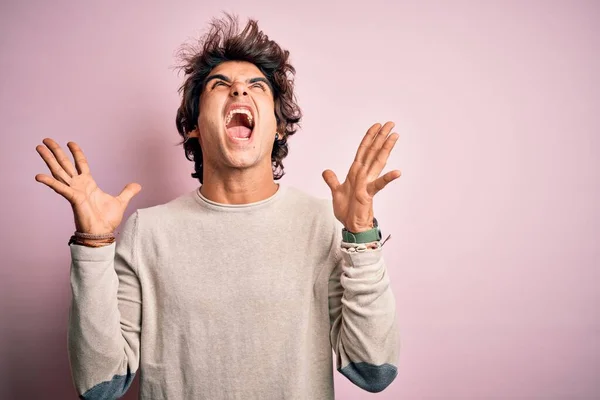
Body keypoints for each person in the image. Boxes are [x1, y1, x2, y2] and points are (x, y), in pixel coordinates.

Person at [34, 14, 401, 400]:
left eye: (256, 86)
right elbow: (99, 384)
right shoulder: (148, 232)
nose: (239, 91)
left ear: (277, 125)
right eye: (220, 85)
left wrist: (361, 233)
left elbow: (373, 371)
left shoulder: (322, 224)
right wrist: (94, 244)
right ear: (193, 124)